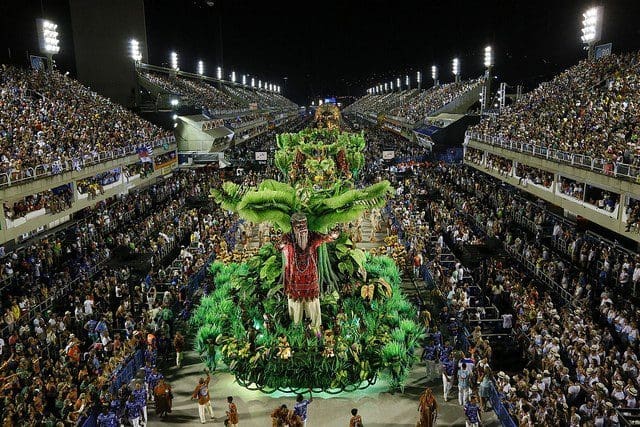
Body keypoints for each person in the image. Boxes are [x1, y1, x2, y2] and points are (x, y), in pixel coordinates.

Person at [278, 213, 339, 328]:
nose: (303, 229)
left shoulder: (312, 236)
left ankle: (316, 333)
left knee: (313, 309)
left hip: (311, 283)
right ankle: (296, 333)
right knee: (295, 311)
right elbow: (279, 246)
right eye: (299, 226)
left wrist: (332, 235)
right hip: (294, 282)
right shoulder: (287, 238)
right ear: (293, 226)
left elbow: (325, 238)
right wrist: (281, 245)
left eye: (304, 225)